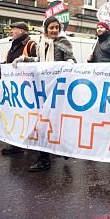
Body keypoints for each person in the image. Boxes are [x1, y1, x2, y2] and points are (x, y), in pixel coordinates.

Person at [15, 16, 76, 172]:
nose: (54, 30)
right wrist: (24, 59)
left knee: (48, 124)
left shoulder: (64, 43)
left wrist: (67, 65)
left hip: (57, 91)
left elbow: (72, 60)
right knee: (47, 124)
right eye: (52, 28)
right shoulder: (41, 43)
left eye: (57, 28)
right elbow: (39, 61)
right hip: (43, 88)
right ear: (46, 29)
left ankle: (45, 160)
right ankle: (60, 150)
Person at [0, 21, 37, 156]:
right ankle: (16, 144)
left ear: (21, 31)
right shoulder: (13, 45)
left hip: (27, 88)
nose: (11, 32)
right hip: (15, 89)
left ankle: (26, 144)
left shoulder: (31, 44)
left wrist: (24, 61)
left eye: (13, 29)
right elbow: (8, 62)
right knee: (15, 116)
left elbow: (38, 62)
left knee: (26, 117)